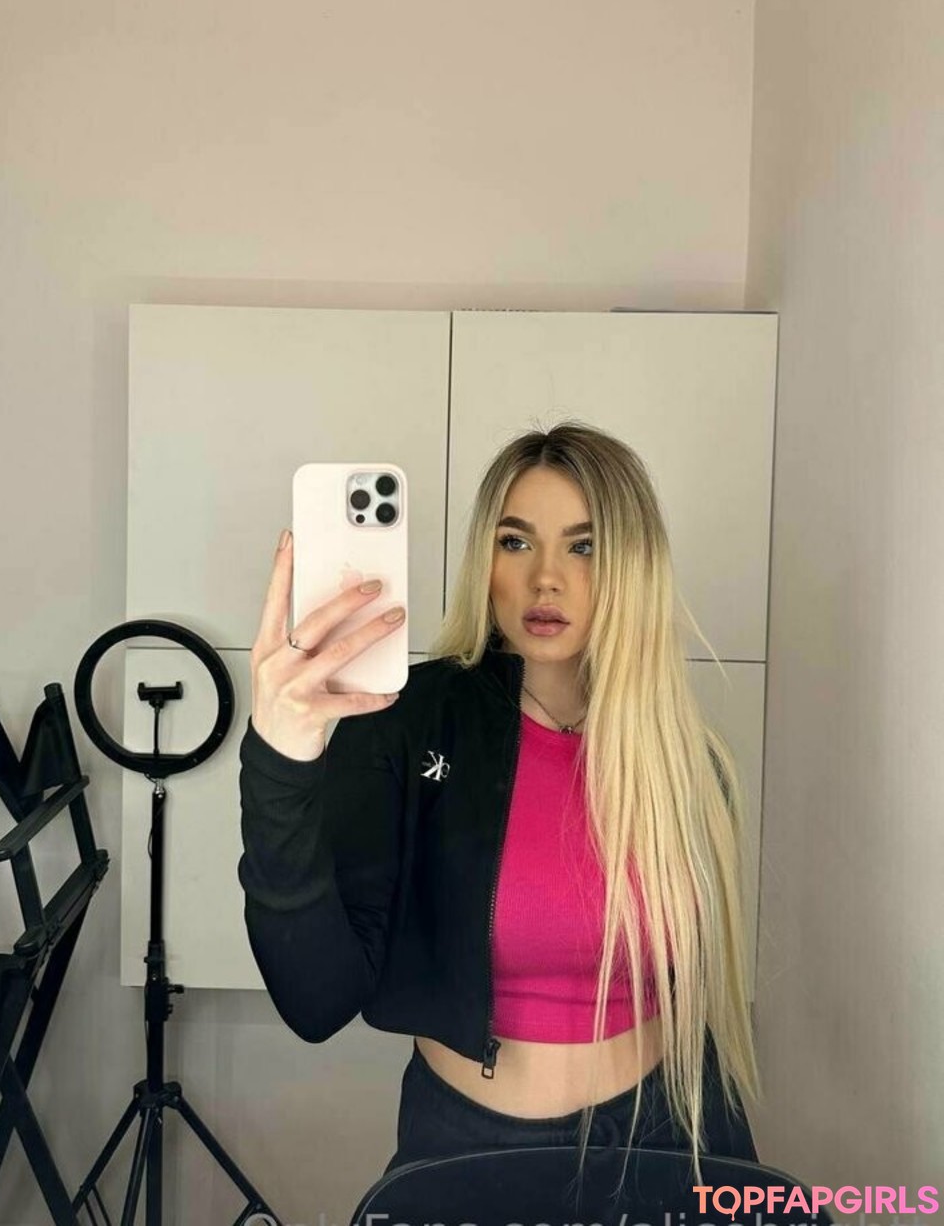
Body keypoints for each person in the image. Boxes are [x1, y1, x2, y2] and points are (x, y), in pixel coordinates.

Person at [237, 420, 761, 1196]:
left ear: (633, 566)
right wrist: (282, 760)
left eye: (584, 546)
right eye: (516, 542)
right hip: (470, 1149)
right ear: (485, 561)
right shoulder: (408, 721)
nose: (546, 578)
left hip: (670, 1132)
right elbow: (315, 999)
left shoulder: (679, 752)